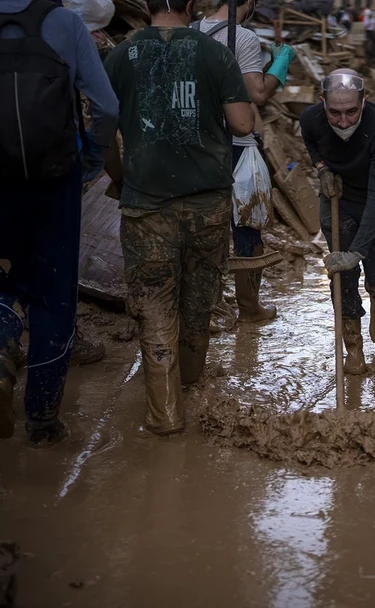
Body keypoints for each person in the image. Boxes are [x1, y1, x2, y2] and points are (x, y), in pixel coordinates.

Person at [0, 0, 118, 446]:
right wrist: (90, 159)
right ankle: (42, 420)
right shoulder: (65, 23)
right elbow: (106, 106)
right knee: (54, 293)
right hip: (56, 178)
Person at [103, 0, 254, 436]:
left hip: (145, 203)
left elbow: (101, 128)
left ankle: (166, 412)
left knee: (153, 302)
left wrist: (119, 173)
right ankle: (189, 376)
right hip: (206, 201)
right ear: (191, 5)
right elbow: (242, 124)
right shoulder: (215, 53)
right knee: (199, 293)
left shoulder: (120, 55)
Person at [195, 0, 296, 323]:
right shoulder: (243, 37)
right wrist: (280, 65)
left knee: (200, 228)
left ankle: (201, 310)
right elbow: (258, 93)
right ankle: (249, 307)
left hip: (197, 144)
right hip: (235, 143)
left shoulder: (191, 30)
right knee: (247, 224)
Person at [300, 69, 375, 375]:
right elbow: (312, 143)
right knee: (341, 277)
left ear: (364, 101)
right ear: (322, 103)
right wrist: (322, 169)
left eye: (351, 112)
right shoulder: (309, 120)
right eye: (334, 113)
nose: (343, 121)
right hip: (339, 198)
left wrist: (357, 251)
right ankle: (353, 347)